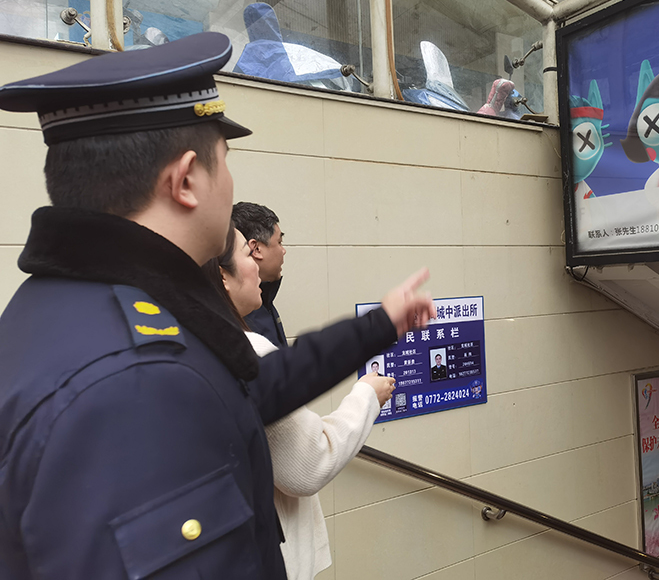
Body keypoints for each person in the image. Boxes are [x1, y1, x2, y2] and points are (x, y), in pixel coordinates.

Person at [0, 32, 435, 579]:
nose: (231, 186)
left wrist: (379, 325)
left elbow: (248, 387)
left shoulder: (75, 304)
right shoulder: (132, 382)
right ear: (186, 180)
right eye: (225, 163)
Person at [202, 225, 394, 580]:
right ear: (222, 277)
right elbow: (310, 463)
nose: (257, 264)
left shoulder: (195, 345)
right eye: (247, 254)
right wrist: (367, 395)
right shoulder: (247, 352)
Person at [231, 201, 287, 346]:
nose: (283, 251)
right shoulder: (243, 311)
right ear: (255, 249)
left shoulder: (264, 298)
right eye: (279, 242)